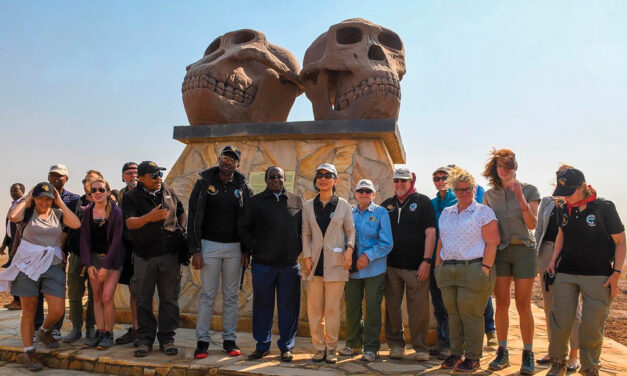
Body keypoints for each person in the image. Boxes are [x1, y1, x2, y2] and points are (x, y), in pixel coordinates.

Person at [545, 168, 625, 376]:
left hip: (598, 274)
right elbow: (561, 233)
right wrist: (553, 261)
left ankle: (590, 367)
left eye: (571, 192)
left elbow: (620, 242)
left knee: (591, 324)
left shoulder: (604, 208)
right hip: (566, 272)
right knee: (560, 321)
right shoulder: (564, 208)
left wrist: (616, 273)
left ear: (584, 186)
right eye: (563, 192)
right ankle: (558, 362)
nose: (566, 197)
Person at [0, 182, 80, 371]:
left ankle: (44, 331)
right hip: (27, 265)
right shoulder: (27, 213)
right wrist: (27, 198)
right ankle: (29, 351)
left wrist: (60, 203)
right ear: (34, 198)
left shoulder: (58, 214)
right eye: (40, 197)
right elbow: (12, 216)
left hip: (51, 265)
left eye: (48, 198)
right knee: (29, 310)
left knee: (58, 310)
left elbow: (76, 223)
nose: (44, 201)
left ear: (53, 199)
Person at [187, 146, 253, 358]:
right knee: (207, 294)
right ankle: (203, 341)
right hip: (209, 246)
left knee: (231, 295)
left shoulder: (243, 187)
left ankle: (229, 339)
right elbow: (193, 217)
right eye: (225, 157)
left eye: (232, 159)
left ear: (237, 164)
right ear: (219, 159)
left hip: (235, 248)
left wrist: (246, 250)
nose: (227, 161)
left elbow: (248, 221)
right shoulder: (204, 183)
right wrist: (195, 249)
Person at [434, 167, 499, 372]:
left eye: (468, 188)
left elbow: (492, 242)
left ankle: (473, 357)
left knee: (471, 314)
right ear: (454, 190)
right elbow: (441, 240)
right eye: (459, 189)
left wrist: (485, 268)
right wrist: (438, 266)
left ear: (474, 188)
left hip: (474, 268)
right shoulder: (446, 213)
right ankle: (456, 352)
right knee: (453, 313)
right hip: (448, 269)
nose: (464, 193)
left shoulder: (483, 212)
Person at [482, 149, 541, 375]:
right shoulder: (490, 195)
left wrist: (520, 197)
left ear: (515, 167)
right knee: (502, 303)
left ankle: (528, 353)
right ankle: (503, 351)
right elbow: (487, 227)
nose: (503, 170)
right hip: (501, 252)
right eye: (499, 166)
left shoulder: (530, 190)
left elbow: (532, 224)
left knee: (523, 304)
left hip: (524, 249)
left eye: (507, 166)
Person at [123, 161, 186, 357]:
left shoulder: (167, 190)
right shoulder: (131, 196)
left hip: (169, 254)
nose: (159, 178)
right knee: (143, 299)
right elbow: (129, 223)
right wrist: (149, 217)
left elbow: (182, 212)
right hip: (144, 256)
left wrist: (181, 228)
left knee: (169, 299)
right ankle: (145, 339)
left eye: (160, 173)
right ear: (141, 178)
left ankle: (167, 339)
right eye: (154, 175)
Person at [240, 166, 303, 362]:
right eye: (272, 177)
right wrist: (256, 248)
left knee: (288, 308)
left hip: (289, 266)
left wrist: (296, 249)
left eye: (279, 177)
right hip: (263, 265)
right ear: (266, 180)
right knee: (262, 307)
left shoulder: (296, 201)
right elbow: (244, 229)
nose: (276, 180)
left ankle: (286, 347)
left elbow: (303, 230)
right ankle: (262, 346)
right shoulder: (255, 202)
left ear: (285, 179)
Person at [302, 163, 355, 364]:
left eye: (328, 175)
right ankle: (318, 347)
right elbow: (306, 233)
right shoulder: (308, 206)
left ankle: (331, 348)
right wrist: (307, 257)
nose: (323, 179)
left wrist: (349, 249)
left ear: (335, 180)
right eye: (320, 175)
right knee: (314, 310)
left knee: (332, 310)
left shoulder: (343, 205)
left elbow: (350, 230)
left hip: (336, 265)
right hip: (313, 265)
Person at [381, 167, 436, 361]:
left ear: (411, 181)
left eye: (403, 180)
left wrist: (427, 261)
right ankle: (396, 345)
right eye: (396, 180)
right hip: (391, 267)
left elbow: (431, 233)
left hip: (417, 267)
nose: (399, 184)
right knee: (392, 309)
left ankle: (421, 347)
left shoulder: (423, 202)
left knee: (418, 310)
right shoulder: (386, 205)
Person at [339, 179, 392, 362]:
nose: (364, 193)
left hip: (374, 270)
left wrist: (368, 255)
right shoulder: (349, 212)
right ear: (355, 193)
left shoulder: (380, 212)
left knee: (372, 308)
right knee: (352, 307)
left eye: (367, 191)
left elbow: (387, 243)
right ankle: (353, 344)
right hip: (352, 270)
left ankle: (371, 347)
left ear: (373, 194)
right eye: (360, 190)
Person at [535, 164, 581, 372]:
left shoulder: (580, 202)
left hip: (569, 254)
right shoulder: (547, 201)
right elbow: (539, 230)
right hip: (546, 252)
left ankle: (574, 353)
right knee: (549, 303)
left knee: (573, 307)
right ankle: (554, 350)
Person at [36, 164, 81, 340]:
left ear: (66, 179)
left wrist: (61, 248)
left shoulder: (73, 199)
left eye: (60, 176)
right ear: (48, 177)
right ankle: (38, 326)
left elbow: (72, 225)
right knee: (37, 289)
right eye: (53, 175)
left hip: (59, 252)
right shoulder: (39, 197)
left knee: (57, 289)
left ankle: (55, 327)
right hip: (38, 250)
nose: (56, 178)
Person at [80, 178, 125, 349]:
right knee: (97, 297)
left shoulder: (116, 212)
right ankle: (99, 331)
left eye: (101, 189)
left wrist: (105, 266)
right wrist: (89, 263)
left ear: (107, 191)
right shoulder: (87, 212)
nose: (98, 193)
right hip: (93, 259)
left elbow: (116, 240)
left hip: (112, 260)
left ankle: (109, 333)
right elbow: (84, 239)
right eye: (94, 190)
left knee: (107, 297)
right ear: (90, 194)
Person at [63, 171, 102, 343]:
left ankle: (91, 328)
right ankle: (76, 328)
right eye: (85, 179)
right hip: (77, 255)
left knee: (95, 294)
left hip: (97, 257)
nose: (88, 182)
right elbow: (66, 229)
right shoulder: (75, 203)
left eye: (92, 179)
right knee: (74, 292)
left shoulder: (106, 203)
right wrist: (61, 250)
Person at [115, 161, 141, 346]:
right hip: (128, 248)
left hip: (147, 248)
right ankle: (137, 328)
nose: (133, 175)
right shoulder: (120, 195)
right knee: (134, 290)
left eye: (136, 172)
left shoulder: (149, 192)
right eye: (129, 172)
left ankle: (148, 329)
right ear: (123, 176)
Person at [1, 183, 25, 310]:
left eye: (15, 191)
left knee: (17, 273)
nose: (12, 193)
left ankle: (20, 301)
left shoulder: (25, 205)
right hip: (12, 244)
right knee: (12, 273)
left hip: (20, 245)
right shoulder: (13, 205)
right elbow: (8, 228)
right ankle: (16, 300)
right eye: (11, 191)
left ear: (23, 191)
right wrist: (4, 244)